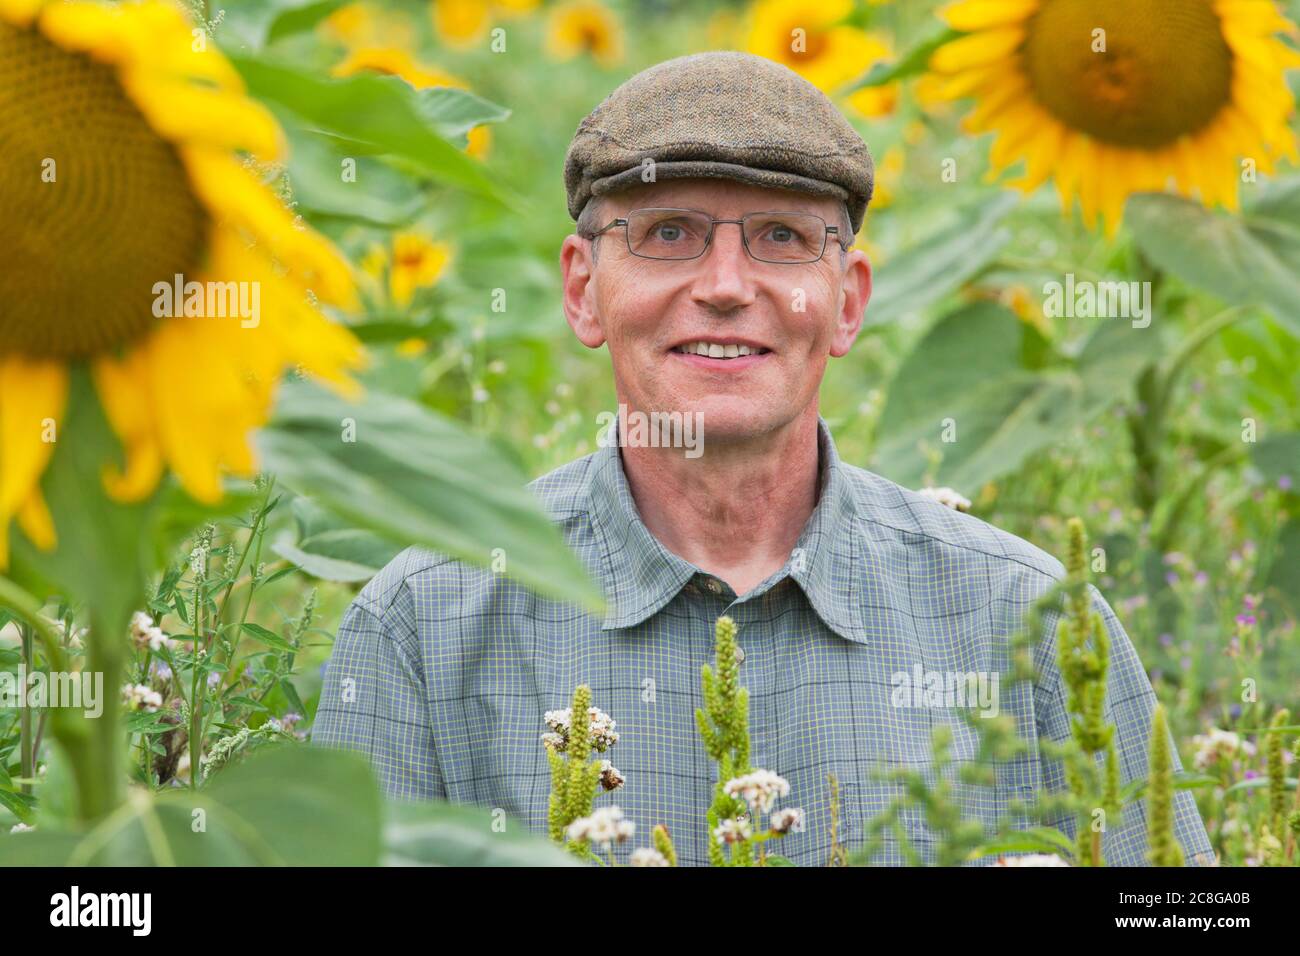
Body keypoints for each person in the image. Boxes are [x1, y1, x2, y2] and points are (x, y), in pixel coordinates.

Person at [313, 51, 1213, 867]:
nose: (726, 287)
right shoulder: (425, 626)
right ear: (584, 292)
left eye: (782, 237)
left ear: (847, 303)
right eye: (668, 233)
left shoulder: (1028, 623)